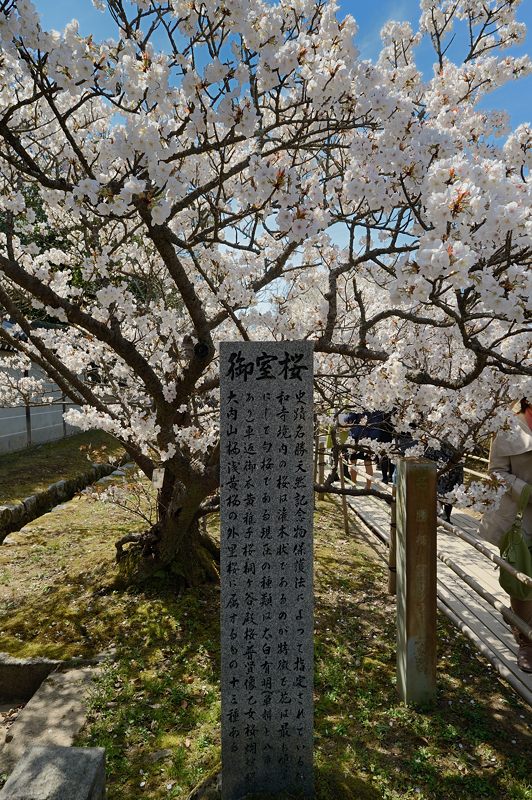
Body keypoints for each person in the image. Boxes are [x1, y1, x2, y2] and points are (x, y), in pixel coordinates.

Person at [478, 397, 532, 673]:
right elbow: (496, 472)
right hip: (520, 520)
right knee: (522, 583)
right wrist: (525, 489)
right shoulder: (508, 426)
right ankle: (526, 641)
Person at [425, 441, 464, 522]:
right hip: (443, 464)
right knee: (443, 489)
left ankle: (445, 516)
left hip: (453, 464)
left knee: (451, 490)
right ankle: (443, 515)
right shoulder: (437, 435)